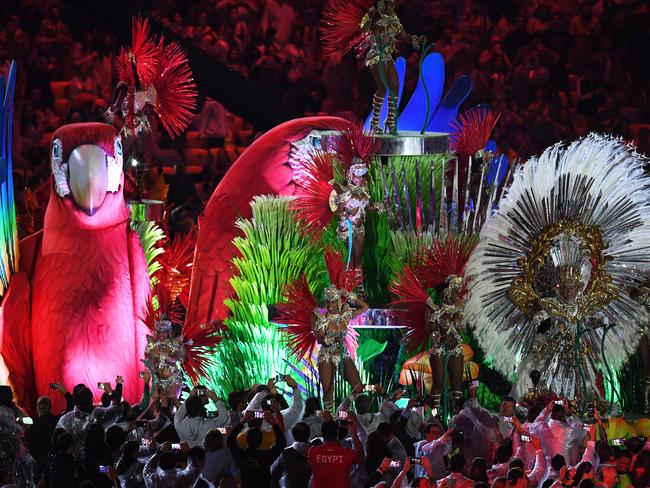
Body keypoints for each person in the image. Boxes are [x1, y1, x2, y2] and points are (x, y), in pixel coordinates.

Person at [227, 409, 286, 486]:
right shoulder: (266, 456)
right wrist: (273, 423)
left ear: (246, 439)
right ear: (261, 441)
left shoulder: (240, 455)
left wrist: (243, 420)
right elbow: (282, 443)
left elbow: (230, 441)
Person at [308, 416, 364, 488]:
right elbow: (361, 456)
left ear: (322, 434)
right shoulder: (347, 454)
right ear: (337, 434)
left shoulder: (312, 452)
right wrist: (353, 431)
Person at [25, 396, 59, 477]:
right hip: (55, 462)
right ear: (50, 407)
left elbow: (30, 447)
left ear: (38, 408)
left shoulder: (33, 427)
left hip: (40, 464)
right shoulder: (57, 421)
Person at [271, 422, 312, 488]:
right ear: (309, 433)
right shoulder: (315, 451)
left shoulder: (286, 453)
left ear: (293, 436)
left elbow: (274, 473)